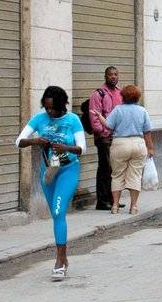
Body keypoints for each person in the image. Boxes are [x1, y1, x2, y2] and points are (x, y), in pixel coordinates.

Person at [18, 85, 86, 281]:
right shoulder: (39, 119)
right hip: (47, 173)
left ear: (62, 105)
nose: (50, 111)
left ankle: (60, 259)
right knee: (56, 216)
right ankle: (64, 259)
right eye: (47, 108)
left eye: (53, 108)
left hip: (67, 170)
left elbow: (83, 148)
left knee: (58, 211)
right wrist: (36, 141)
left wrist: (66, 147)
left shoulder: (73, 120)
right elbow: (19, 141)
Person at [105, 83, 155, 216]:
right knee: (135, 176)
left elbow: (108, 126)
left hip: (120, 144)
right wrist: (150, 148)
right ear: (137, 97)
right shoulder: (142, 111)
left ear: (123, 96)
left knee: (117, 175)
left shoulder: (117, 109)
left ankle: (115, 206)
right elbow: (147, 132)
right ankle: (133, 207)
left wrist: (99, 117)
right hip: (138, 144)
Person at [87, 66, 122, 211]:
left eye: (115, 74)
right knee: (105, 168)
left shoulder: (120, 92)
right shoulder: (98, 94)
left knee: (114, 169)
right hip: (104, 138)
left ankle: (112, 200)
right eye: (110, 75)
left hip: (117, 136)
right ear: (105, 76)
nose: (113, 77)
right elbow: (94, 116)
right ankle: (102, 201)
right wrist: (102, 132)